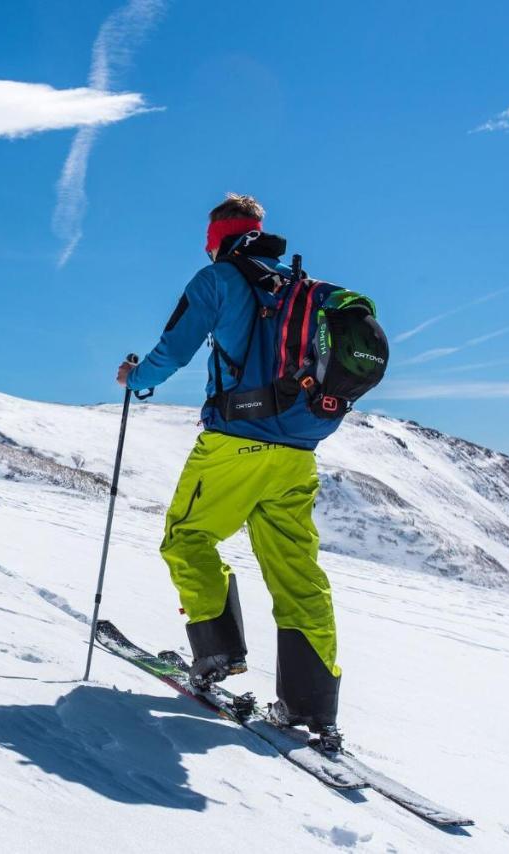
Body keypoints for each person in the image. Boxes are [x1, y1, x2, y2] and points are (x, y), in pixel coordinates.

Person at [116, 194, 344, 746]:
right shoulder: (296, 286)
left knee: (187, 537)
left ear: (216, 237)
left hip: (235, 443)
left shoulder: (217, 279)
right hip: (299, 452)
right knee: (297, 573)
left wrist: (135, 376)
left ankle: (217, 656)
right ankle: (311, 705)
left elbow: (174, 349)